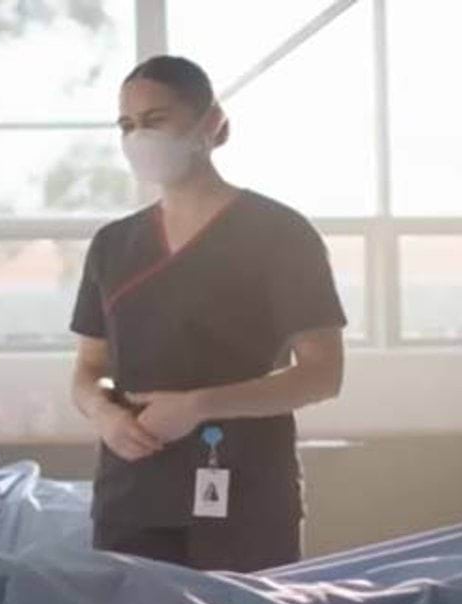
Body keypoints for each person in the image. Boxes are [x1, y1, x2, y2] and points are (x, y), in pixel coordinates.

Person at [69, 55, 346, 571]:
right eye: (127, 125)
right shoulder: (113, 245)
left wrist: (198, 406)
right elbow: (89, 370)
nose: (139, 138)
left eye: (156, 120)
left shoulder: (281, 234)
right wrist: (104, 413)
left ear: (211, 123)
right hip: (132, 494)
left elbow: (322, 375)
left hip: (246, 491)